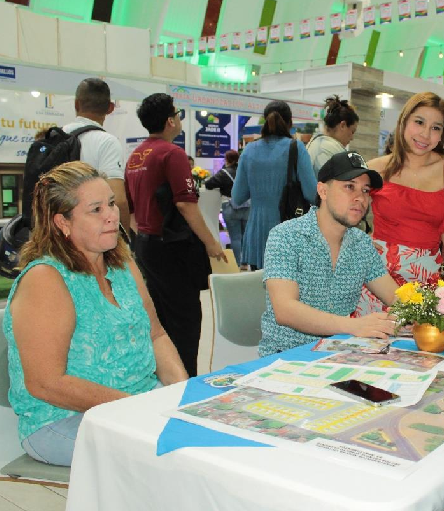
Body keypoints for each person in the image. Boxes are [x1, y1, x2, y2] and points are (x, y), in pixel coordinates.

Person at [5, 162, 188, 466]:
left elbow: (155, 335)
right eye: (96, 209)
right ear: (62, 222)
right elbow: (46, 383)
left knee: (205, 437)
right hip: (62, 419)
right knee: (177, 457)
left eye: (112, 204)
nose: (112, 215)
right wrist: (139, 408)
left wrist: (181, 393)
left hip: (135, 404)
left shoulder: (122, 264)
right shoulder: (45, 279)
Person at [357, 92, 444, 313]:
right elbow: (343, 209)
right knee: (370, 335)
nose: (425, 134)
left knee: (422, 334)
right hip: (376, 277)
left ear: (443, 134)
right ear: (404, 121)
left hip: (424, 277)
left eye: (435, 128)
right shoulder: (375, 168)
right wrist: (356, 238)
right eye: (419, 122)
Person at [125, 93, 226, 377]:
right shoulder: (172, 154)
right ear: (171, 121)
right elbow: (185, 204)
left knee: (160, 318)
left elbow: (131, 209)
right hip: (172, 249)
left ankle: (166, 378)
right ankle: (185, 379)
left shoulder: (136, 156)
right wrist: (211, 242)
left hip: (147, 246)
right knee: (185, 319)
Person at [260, 151, 398, 356]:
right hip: (286, 356)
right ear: (323, 191)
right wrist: (354, 326)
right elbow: (285, 310)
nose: (360, 198)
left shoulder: (361, 244)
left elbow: (395, 297)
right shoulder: (286, 236)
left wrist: (437, 308)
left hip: (338, 353)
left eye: (366, 190)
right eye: (349, 187)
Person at [232, 100, 316, 271]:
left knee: (260, 284)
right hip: (288, 230)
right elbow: (312, 194)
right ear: (290, 123)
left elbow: (237, 197)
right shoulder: (296, 148)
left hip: (256, 233)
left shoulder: (249, 150)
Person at [63, 78, 130, 233]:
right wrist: (124, 239)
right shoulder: (106, 142)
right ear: (110, 108)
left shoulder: (54, 137)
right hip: (89, 235)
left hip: (55, 233)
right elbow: (118, 199)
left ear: (76, 104)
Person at [205, 150, 249, 266]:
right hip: (247, 207)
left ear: (227, 159)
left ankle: (238, 264)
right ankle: (246, 263)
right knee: (245, 237)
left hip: (231, 207)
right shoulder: (245, 171)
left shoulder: (224, 173)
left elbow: (209, 184)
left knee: (235, 238)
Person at [305, 95, 359, 176]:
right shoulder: (328, 151)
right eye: (352, 131)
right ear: (343, 125)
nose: (352, 138)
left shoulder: (316, 143)